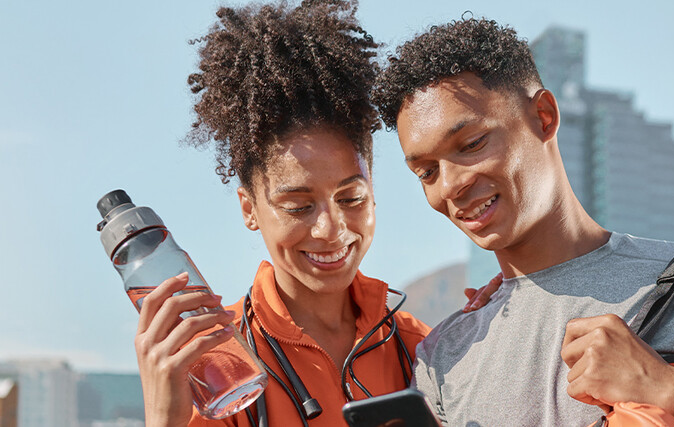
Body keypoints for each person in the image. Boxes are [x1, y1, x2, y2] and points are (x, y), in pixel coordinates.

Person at [372, 16, 674, 426]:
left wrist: (666, 386)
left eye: (471, 144)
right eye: (426, 172)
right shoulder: (443, 356)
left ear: (543, 116)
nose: (451, 185)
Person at [131, 2, 501, 426]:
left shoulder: (421, 349)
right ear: (249, 209)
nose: (330, 229)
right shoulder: (215, 367)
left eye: (351, 198)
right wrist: (163, 420)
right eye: (298, 207)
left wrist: (484, 348)